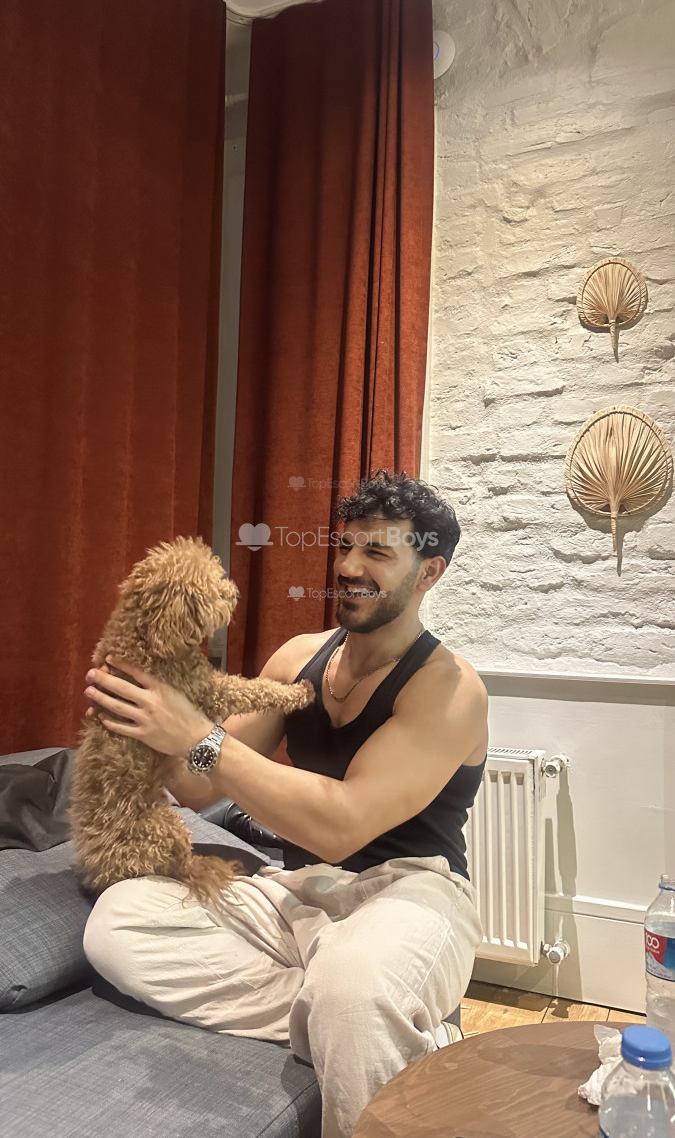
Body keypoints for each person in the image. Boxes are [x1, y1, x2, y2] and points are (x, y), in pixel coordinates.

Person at [82, 470, 487, 1138]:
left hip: (412, 890)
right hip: (300, 890)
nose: (349, 567)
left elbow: (340, 825)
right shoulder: (300, 656)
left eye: (376, 552)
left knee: (354, 989)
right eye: (345, 546)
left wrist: (198, 734)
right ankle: (376, 1023)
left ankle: (357, 1003)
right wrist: (143, 723)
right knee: (119, 923)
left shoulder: (449, 689)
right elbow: (202, 786)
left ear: (429, 573)